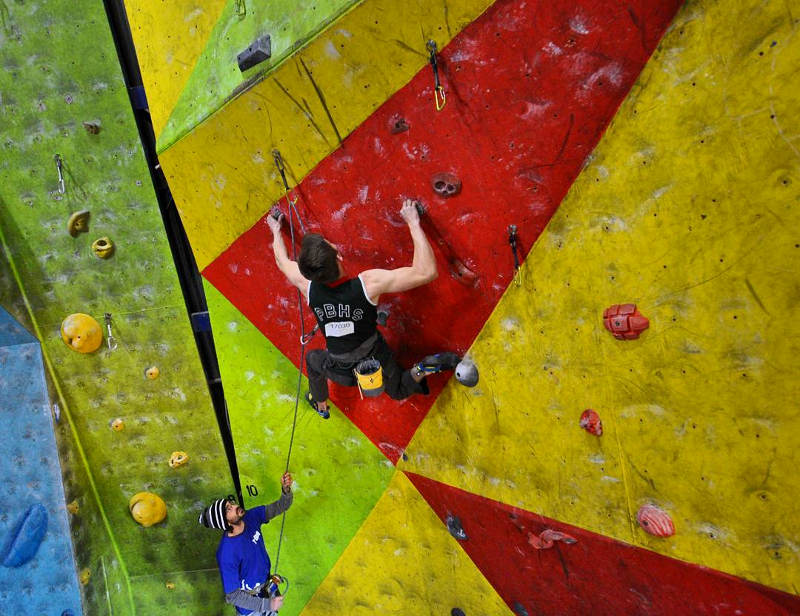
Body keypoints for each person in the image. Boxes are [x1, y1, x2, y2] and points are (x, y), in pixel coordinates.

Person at [267, 198, 462, 419]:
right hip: (375, 356)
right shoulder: (367, 284)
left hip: (340, 368)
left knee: (313, 360)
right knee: (398, 391)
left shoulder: (307, 287)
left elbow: (282, 261)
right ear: (339, 256)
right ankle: (422, 368)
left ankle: (321, 405)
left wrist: (275, 230)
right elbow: (426, 272)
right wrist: (413, 221)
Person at [199, 472, 293, 615]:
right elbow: (233, 596)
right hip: (251, 610)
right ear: (225, 522)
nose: (235, 506)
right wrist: (267, 604)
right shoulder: (226, 553)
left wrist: (286, 490)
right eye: (228, 509)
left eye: (231, 504)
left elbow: (281, 506)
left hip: (267, 592)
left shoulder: (251, 517)